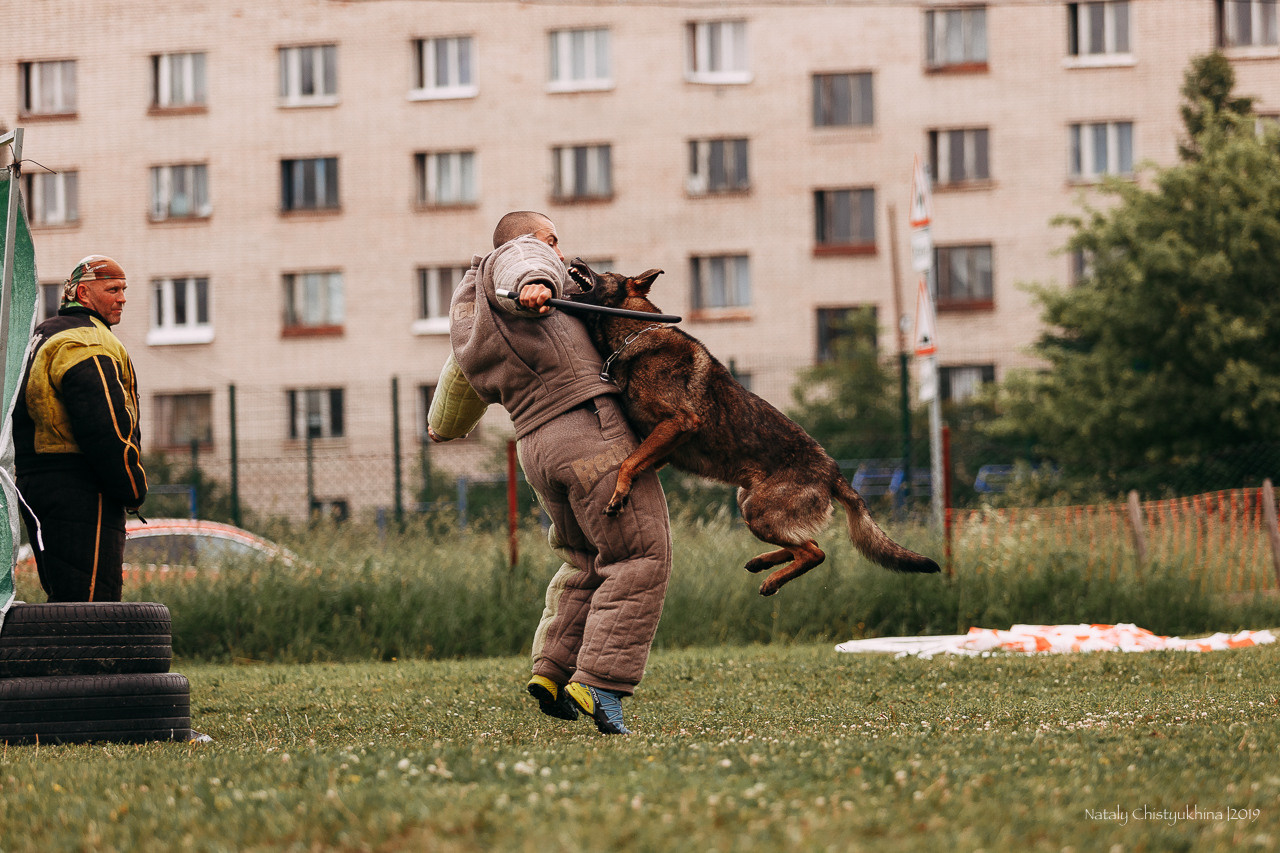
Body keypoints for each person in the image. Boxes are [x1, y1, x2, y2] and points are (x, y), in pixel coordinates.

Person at [428, 211, 672, 735]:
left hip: (536, 446)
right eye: (553, 240)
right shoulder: (519, 263)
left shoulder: (477, 314)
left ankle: (554, 671)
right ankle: (602, 681)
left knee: (587, 559)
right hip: (590, 431)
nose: (558, 253)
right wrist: (536, 282)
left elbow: (456, 385)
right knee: (640, 553)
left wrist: (440, 430)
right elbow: (526, 257)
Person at [14, 255, 147, 602]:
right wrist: (132, 486)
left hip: (33, 481)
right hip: (82, 488)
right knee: (91, 606)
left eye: (124, 290)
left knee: (63, 602)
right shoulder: (89, 341)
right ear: (84, 294)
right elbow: (104, 425)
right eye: (113, 289)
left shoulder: (43, 334)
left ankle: (55, 658)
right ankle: (87, 661)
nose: (122, 298)